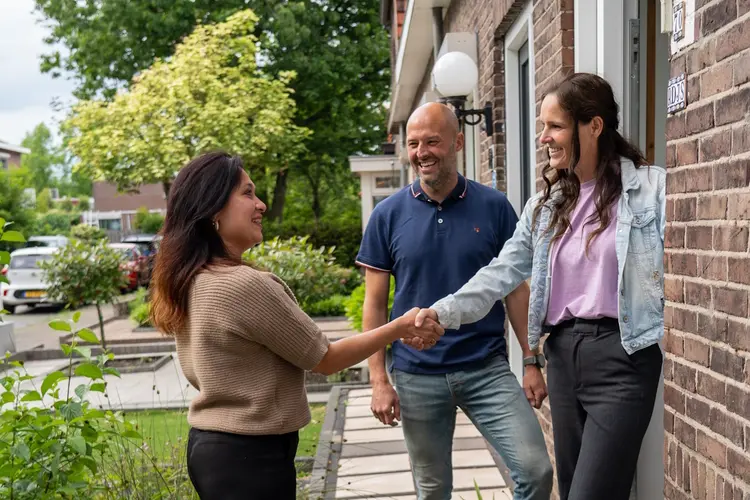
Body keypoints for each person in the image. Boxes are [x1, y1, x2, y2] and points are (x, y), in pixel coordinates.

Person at [414, 73, 666, 500]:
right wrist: (443, 311)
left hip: (623, 355)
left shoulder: (651, 190)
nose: (544, 138)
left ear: (594, 126)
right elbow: (501, 273)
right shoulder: (545, 206)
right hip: (564, 358)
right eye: (542, 127)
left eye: (554, 126)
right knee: (573, 490)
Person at [149, 151, 444, 500]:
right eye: (247, 193)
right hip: (251, 457)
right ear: (213, 210)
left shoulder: (191, 278)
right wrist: (400, 326)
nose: (260, 205)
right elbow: (325, 359)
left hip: (212, 449)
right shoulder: (243, 285)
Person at [356, 102, 553, 500]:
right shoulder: (387, 215)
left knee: (536, 470)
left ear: (458, 142)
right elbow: (375, 305)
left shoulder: (494, 207)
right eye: (413, 143)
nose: (421, 152)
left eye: (432, 141)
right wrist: (379, 380)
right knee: (432, 491)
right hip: (416, 375)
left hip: (486, 368)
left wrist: (531, 360)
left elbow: (515, 289)